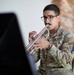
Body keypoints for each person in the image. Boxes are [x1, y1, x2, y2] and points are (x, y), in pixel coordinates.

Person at [28, 4, 74, 75]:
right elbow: (34, 59)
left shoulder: (68, 35)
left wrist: (49, 46)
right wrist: (32, 45)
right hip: (42, 72)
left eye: (50, 17)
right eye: (45, 17)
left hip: (60, 73)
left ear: (58, 18)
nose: (46, 21)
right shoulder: (43, 34)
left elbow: (66, 61)